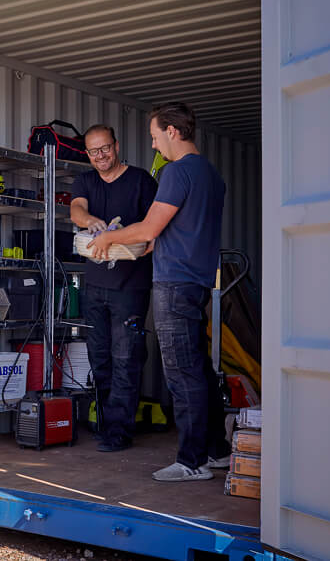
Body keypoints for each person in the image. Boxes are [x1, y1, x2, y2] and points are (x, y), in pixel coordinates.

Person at [88, 102, 231, 482]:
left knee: (182, 375)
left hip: (173, 283)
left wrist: (109, 238)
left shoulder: (176, 172)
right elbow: (174, 230)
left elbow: (151, 228)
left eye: (154, 137)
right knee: (198, 368)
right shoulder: (211, 176)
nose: (154, 146)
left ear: (172, 130)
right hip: (197, 280)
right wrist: (139, 242)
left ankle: (191, 461)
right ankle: (217, 450)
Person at [70, 124, 158, 453]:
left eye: (105, 148)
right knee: (100, 359)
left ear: (116, 146)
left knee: (126, 357)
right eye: (93, 151)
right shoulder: (86, 181)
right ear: (87, 154)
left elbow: (158, 222)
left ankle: (119, 432)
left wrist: (152, 240)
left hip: (130, 286)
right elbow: (75, 208)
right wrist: (88, 219)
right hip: (95, 285)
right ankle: (107, 423)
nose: (100, 156)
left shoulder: (140, 181)